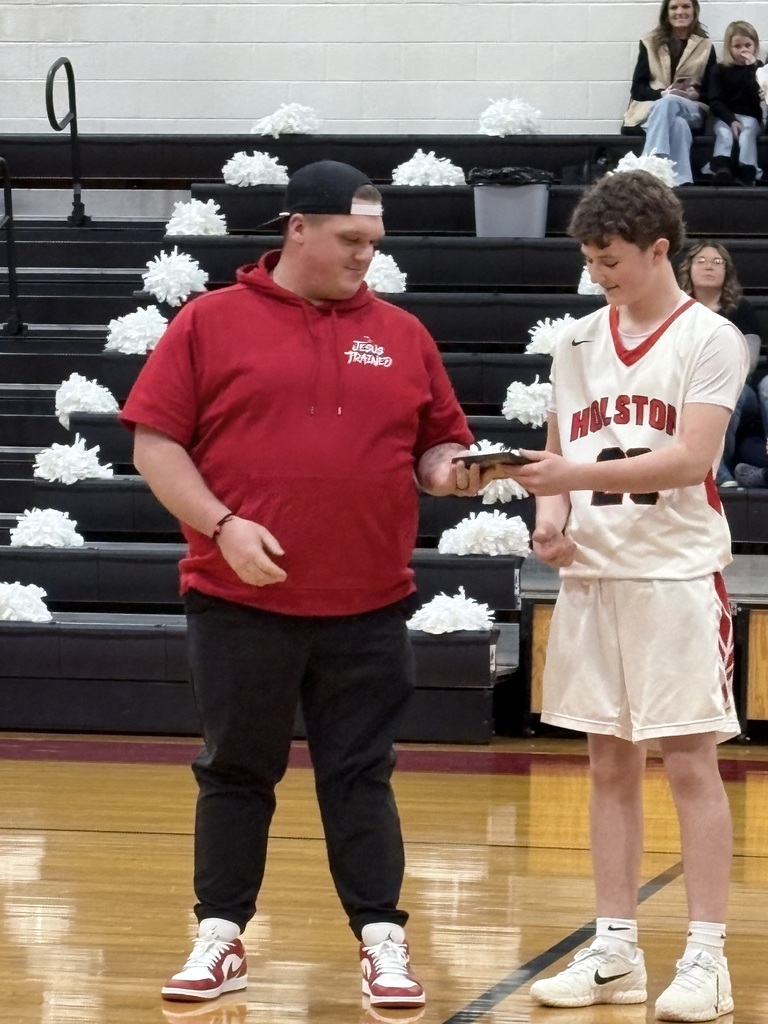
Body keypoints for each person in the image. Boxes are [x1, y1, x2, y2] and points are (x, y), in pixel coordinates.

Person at [120, 160, 484, 1009]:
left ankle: (382, 940)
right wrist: (223, 524)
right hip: (238, 599)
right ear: (298, 229)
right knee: (236, 769)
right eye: (351, 241)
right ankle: (220, 936)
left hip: (369, 602)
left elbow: (435, 448)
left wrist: (454, 471)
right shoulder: (211, 322)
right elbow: (155, 446)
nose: (367, 257)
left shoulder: (402, 334)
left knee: (362, 773)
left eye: (375, 243)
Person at [495, 171, 748, 1021]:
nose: (599, 274)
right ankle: (614, 950)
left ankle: (708, 958)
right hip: (595, 575)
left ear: (658, 249)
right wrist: (549, 514)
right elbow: (557, 447)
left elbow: (692, 460)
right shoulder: (574, 341)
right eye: (591, 261)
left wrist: (570, 474)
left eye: (611, 261)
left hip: (675, 574)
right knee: (604, 763)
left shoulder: (711, 337)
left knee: (688, 761)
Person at [677, 239, 762, 486]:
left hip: (738, 387)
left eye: (717, 262)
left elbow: (749, 362)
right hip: (687, 384)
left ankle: (715, 470)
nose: (709, 267)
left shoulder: (740, 309)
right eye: (701, 261)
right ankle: (718, 473)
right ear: (689, 269)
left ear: (726, 271)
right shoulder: (677, 310)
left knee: (725, 395)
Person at [623, 0, 716, 186]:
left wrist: (694, 95)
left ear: (694, 11)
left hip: (693, 108)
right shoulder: (649, 43)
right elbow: (638, 89)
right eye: (674, 7)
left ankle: (652, 163)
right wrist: (663, 94)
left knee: (672, 104)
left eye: (685, 6)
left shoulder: (706, 47)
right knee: (678, 123)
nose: (680, 12)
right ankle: (681, 180)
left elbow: (712, 93)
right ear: (666, 13)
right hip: (655, 108)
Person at [707, 20, 765, 186]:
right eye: (737, 46)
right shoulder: (719, 70)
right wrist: (730, 119)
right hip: (725, 116)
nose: (743, 50)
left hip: (751, 117)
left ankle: (747, 170)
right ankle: (721, 168)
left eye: (748, 45)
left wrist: (750, 68)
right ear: (729, 48)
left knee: (746, 133)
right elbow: (715, 100)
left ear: (755, 46)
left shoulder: (759, 69)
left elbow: (754, 94)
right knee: (725, 134)